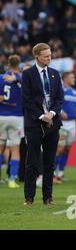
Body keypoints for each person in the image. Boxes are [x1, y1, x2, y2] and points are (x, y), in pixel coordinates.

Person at [22, 43, 64, 205]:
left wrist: (52, 113)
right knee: (32, 161)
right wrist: (41, 116)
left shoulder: (55, 74)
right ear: (37, 56)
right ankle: (29, 197)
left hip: (53, 123)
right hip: (34, 123)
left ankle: (48, 197)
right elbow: (26, 100)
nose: (49, 58)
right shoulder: (28, 74)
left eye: (50, 55)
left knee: (49, 163)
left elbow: (59, 98)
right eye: (46, 56)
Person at [0, 55, 24, 188]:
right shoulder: (22, 79)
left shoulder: (0, 78)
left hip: (1, 117)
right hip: (16, 117)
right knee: (15, 150)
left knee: (0, 147)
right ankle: (11, 180)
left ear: (8, 64)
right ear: (19, 65)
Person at [54, 72, 76, 182]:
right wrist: (60, 111)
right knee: (60, 148)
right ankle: (53, 173)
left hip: (72, 123)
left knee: (67, 148)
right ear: (65, 79)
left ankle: (61, 172)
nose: (74, 79)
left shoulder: (74, 92)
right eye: (72, 77)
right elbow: (55, 102)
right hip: (62, 123)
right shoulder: (61, 90)